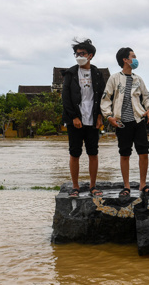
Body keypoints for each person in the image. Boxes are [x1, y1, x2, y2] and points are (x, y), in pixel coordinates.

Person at [101, 47, 149, 198]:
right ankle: (126, 186)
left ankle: (143, 185)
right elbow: (106, 99)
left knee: (143, 152)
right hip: (122, 122)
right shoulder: (114, 78)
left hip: (138, 120)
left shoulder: (138, 79)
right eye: (133, 56)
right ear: (125, 60)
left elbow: (146, 98)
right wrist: (109, 116)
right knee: (124, 154)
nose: (136, 59)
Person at [62, 38, 106, 198]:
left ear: (90, 55)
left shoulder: (97, 73)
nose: (79, 56)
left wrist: (100, 116)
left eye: (82, 53)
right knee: (74, 153)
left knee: (93, 152)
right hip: (75, 120)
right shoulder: (71, 73)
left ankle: (93, 186)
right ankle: (75, 186)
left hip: (93, 119)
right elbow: (65, 97)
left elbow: (102, 96)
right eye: (76, 54)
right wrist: (73, 116)